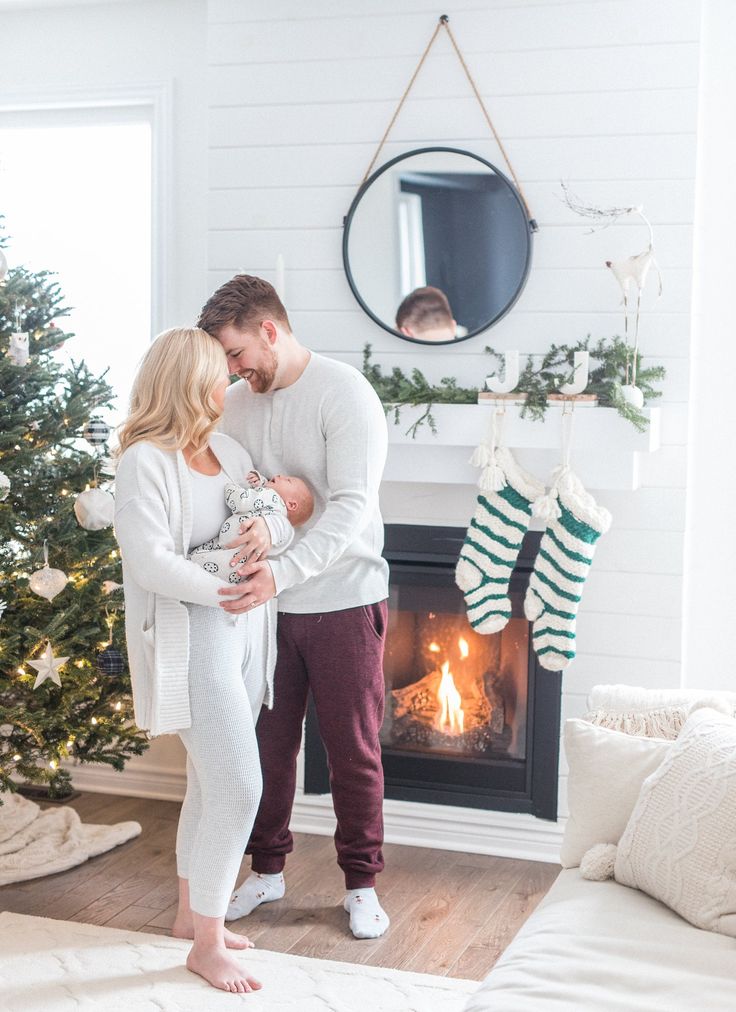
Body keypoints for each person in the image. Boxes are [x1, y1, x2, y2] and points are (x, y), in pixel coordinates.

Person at [197, 275, 392, 940]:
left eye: (235, 351)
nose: (231, 369)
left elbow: (351, 508)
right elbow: (231, 492)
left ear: (269, 332)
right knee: (267, 747)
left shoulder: (345, 395)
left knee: (353, 751)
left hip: (343, 601)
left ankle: (361, 885)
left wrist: (284, 570)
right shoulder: (235, 403)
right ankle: (267, 870)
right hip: (263, 609)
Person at [113, 327, 292, 993]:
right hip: (191, 642)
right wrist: (225, 589)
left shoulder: (226, 447)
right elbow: (148, 559)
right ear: (191, 381)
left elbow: (274, 512)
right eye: (219, 373)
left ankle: (192, 916)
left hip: (241, 640)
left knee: (207, 782)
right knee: (240, 787)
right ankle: (209, 944)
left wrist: (267, 531)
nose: (230, 384)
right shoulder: (146, 461)